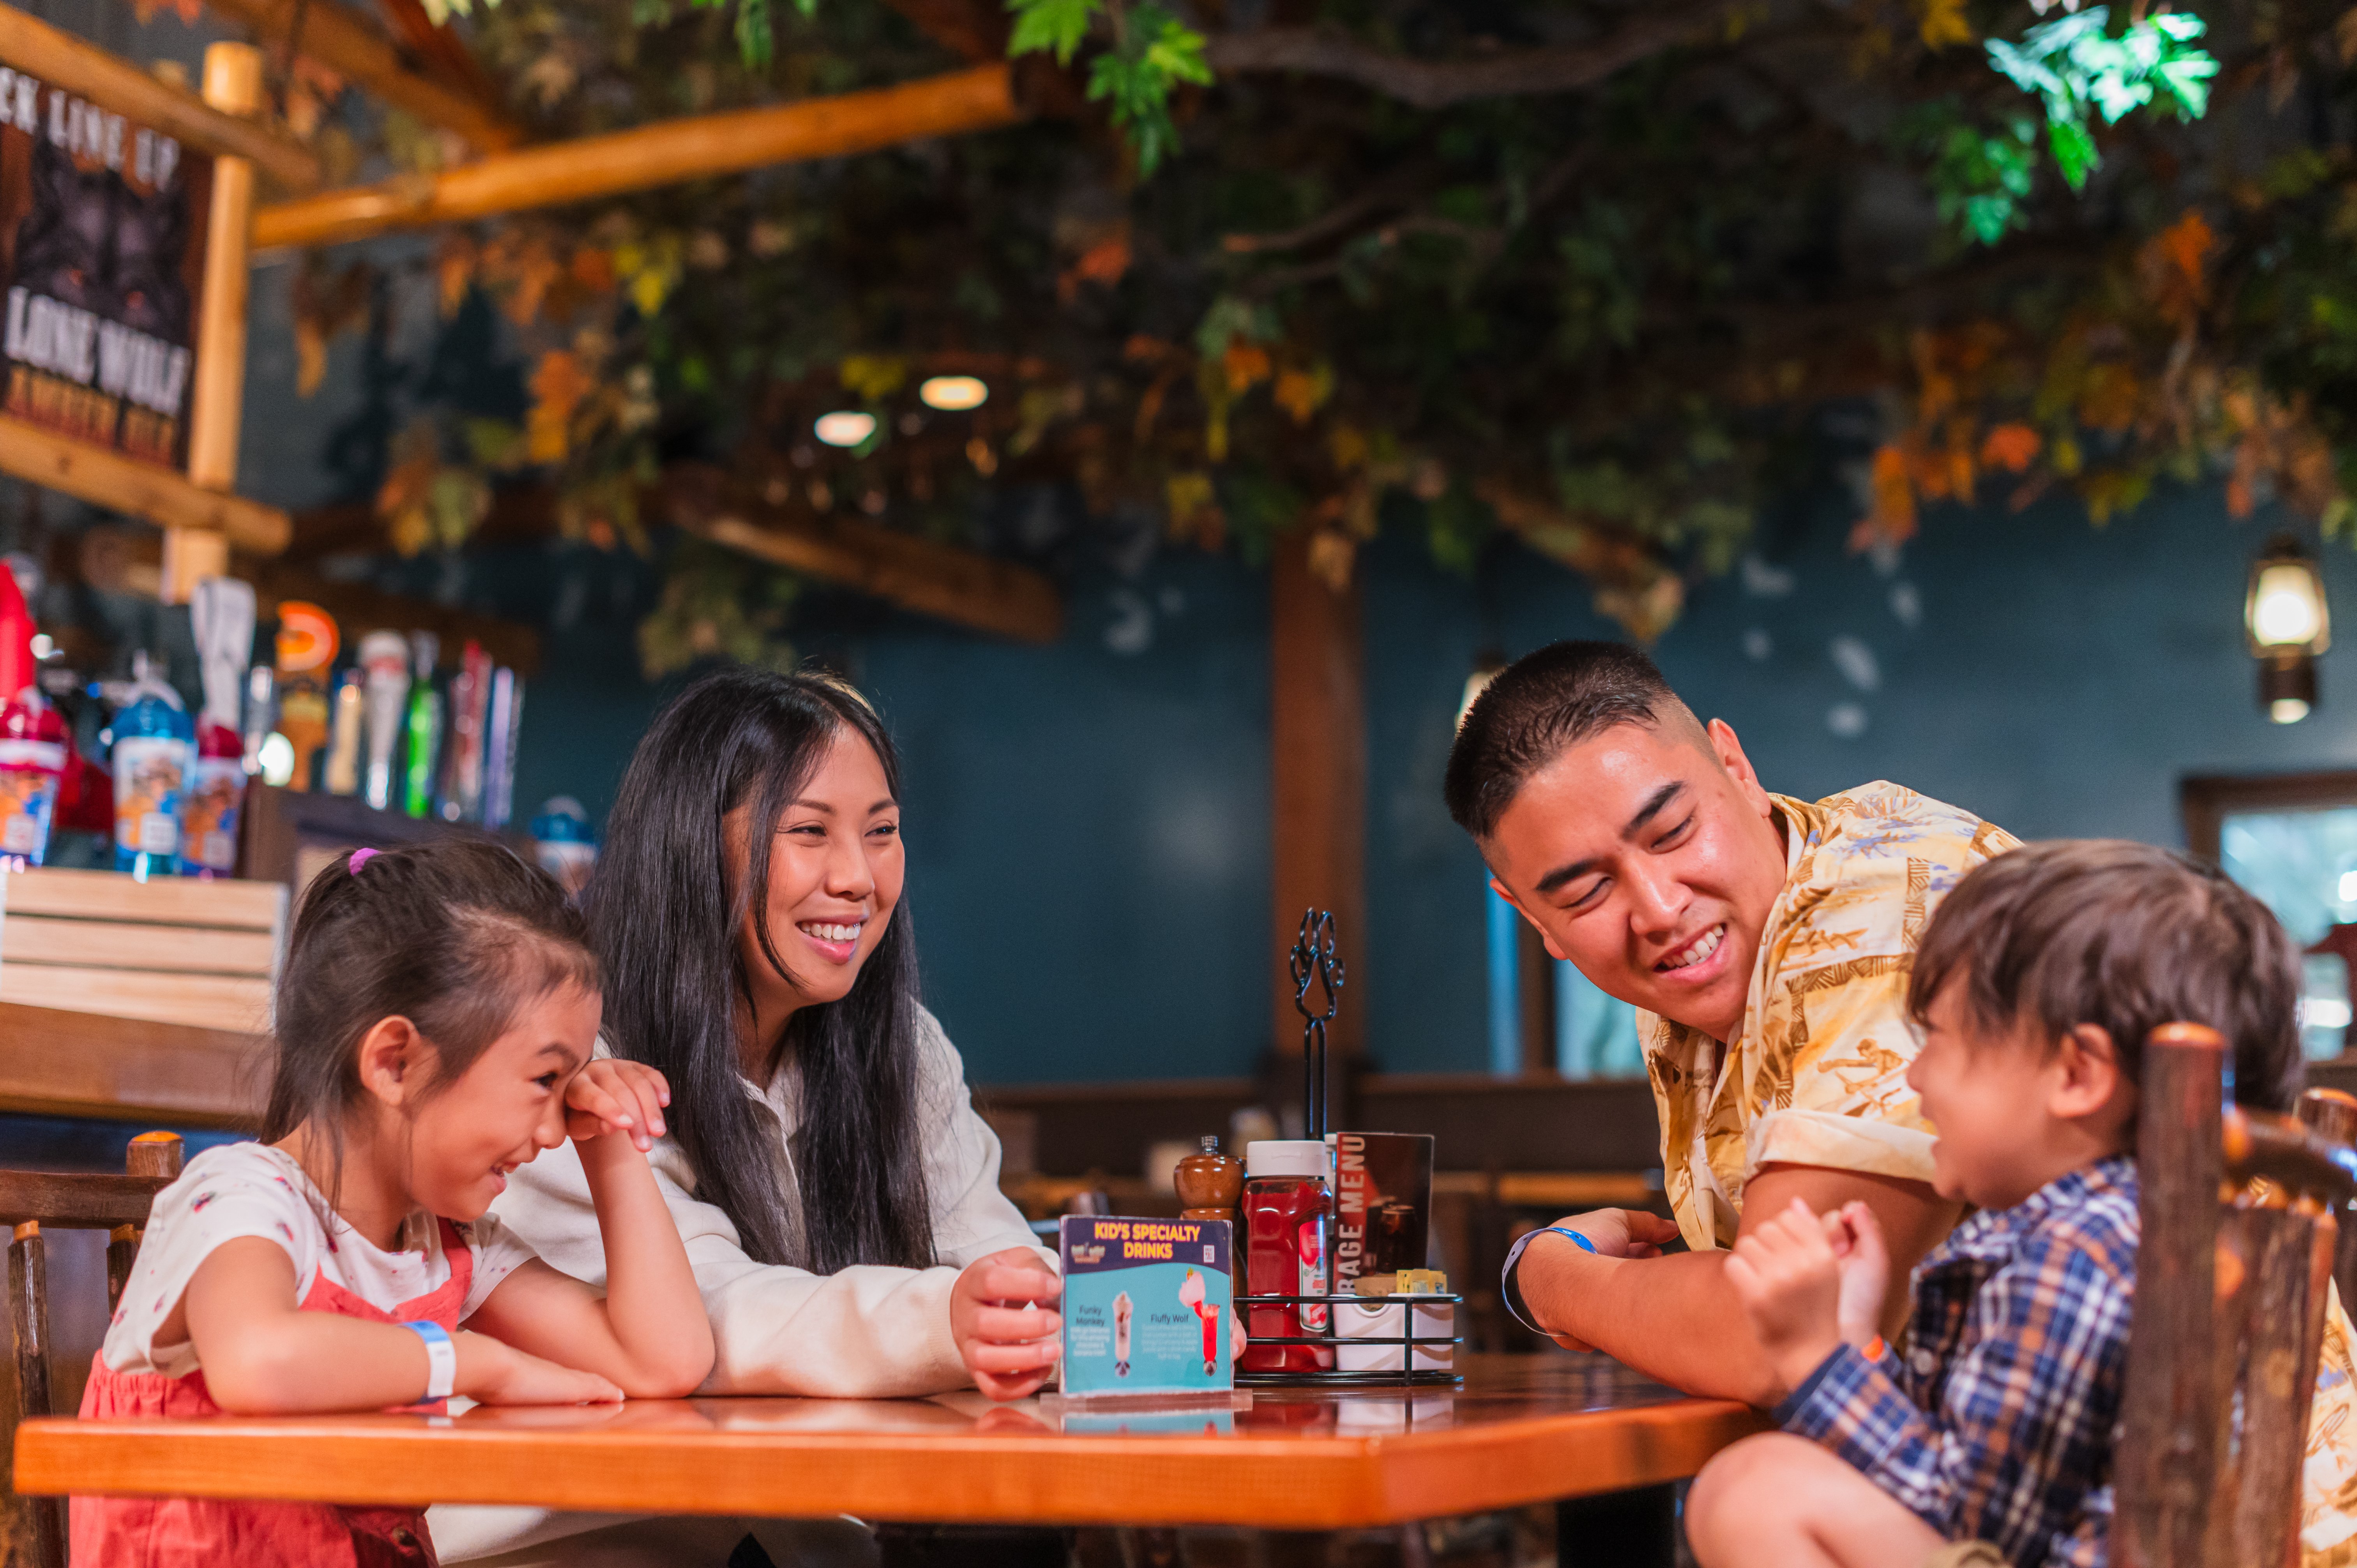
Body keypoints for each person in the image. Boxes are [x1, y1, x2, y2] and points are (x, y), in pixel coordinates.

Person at [431, 667, 1061, 1566]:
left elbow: (998, 1261)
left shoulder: (900, 1047)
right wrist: (949, 1318)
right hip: (579, 1538)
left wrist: (1122, 1320)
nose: (856, 877)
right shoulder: (576, 1059)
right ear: (697, 845)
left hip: (794, 1535)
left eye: (881, 833)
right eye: (808, 832)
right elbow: (712, 1321)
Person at [73, 841, 712, 1568]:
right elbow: (259, 1361)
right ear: (395, 1063)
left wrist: (611, 1143)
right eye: (546, 1080)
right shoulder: (240, 1199)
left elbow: (660, 1361)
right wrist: (478, 1364)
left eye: (572, 1085)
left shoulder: (441, 1244)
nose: (552, 1128)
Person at [1683, 840, 2302, 1568]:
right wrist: (1856, 1345)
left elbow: (1972, 1524)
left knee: (1755, 1487)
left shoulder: (2073, 1258)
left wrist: (1812, 1357)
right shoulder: (2148, 1236)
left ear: (2077, 1074)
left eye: (1938, 1040)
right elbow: (1972, 1463)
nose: (1914, 1077)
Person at [1447, 641, 2012, 1404]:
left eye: (1673, 829)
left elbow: (1777, 1343)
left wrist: (1546, 1276)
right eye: (1584, 892)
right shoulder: (1718, 956)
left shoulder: (1883, 915)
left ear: (1737, 769)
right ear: (1533, 918)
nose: (1659, 907)